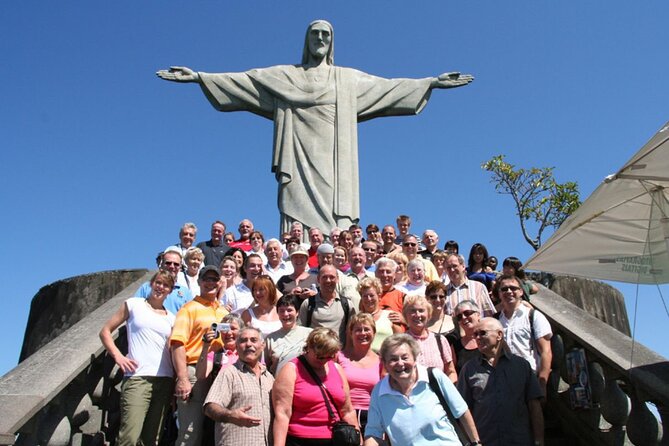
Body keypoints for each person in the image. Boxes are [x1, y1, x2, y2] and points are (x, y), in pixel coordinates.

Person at [157, 19, 474, 235]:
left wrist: (430, 82)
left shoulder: (347, 79)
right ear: (306, 41)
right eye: (315, 34)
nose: (320, 39)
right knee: (296, 217)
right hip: (297, 156)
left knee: (336, 222)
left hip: (336, 162)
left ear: (332, 42)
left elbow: (388, 88)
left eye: (326, 35)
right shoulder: (286, 77)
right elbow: (245, 80)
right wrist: (200, 77)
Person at [99, 271, 176, 446]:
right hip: (137, 378)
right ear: (151, 284)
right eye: (158, 283)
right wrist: (118, 356)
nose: (160, 287)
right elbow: (105, 332)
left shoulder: (172, 318)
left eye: (165, 285)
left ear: (170, 291)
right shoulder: (134, 304)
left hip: (164, 380)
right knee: (129, 436)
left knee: (151, 439)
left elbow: (173, 351)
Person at [364, 334, 480, 446]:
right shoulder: (379, 392)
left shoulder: (434, 377)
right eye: (393, 359)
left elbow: (462, 412)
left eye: (405, 357)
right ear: (384, 363)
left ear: (415, 358)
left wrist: (476, 443)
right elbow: (373, 433)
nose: (400, 363)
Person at [457, 318, 545, 446]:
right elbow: (463, 410)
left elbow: (534, 405)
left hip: (519, 440)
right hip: (486, 441)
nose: (478, 338)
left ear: (499, 335)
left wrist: (539, 440)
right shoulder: (469, 369)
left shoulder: (521, 366)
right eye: (475, 334)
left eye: (482, 333)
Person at [169, 265, 229, 446]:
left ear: (220, 283)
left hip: (219, 372)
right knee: (190, 432)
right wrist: (182, 378)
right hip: (194, 371)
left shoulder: (223, 311)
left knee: (215, 432)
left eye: (214, 279)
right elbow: (177, 343)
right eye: (206, 279)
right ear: (200, 281)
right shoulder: (189, 308)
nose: (210, 283)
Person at [272, 328, 360, 446]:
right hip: (301, 440)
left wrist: (359, 440)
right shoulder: (291, 370)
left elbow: (348, 411)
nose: (323, 361)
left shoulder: (337, 369)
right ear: (309, 347)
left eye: (328, 356)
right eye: (320, 356)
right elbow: (282, 414)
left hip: (336, 438)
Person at [204, 327, 275, 446]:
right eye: (243, 341)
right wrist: (230, 415)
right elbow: (210, 407)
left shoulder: (269, 378)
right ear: (236, 347)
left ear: (262, 346)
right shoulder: (229, 373)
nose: (248, 344)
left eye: (253, 340)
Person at [495, 274, 553, 394]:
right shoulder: (495, 321)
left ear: (521, 291)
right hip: (503, 380)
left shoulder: (533, 316)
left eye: (513, 288)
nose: (509, 291)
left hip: (530, 378)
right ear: (499, 294)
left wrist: (542, 385)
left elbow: (545, 352)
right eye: (504, 289)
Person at [337, 313, 383, 433]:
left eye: (367, 329)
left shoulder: (382, 361)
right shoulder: (339, 357)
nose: (363, 333)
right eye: (358, 330)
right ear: (350, 334)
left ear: (374, 333)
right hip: (344, 416)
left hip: (372, 417)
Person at [403, 295, 457, 383]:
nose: (417, 315)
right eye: (412, 311)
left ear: (429, 315)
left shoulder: (439, 340)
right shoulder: (400, 342)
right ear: (405, 315)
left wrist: (446, 389)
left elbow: (451, 372)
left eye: (421, 310)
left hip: (437, 394)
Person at [299, 265, 356, 345]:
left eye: (332, 277)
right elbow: (301, 331)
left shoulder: (347, 304)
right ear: (318, 279)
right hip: (316, 354)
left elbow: (351, 332)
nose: (328, 281)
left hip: (338, 354)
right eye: (324, 277)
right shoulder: (308, 304)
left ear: (337, 279)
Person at [265, 294, 313, 375]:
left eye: (289, 310)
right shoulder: (270, 339)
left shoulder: (310, 334)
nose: (285, 314)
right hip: (280, 383)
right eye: (281, 311)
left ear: (297, 312)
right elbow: (266, 366)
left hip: (306, 382)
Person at [136, 248, 193, 315]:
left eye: (176, 264)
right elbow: (134, 309)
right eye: (168, 263)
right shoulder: (146, 287)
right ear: (162, 264)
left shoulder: (186, 293)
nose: (172, 266)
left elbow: (191, 316)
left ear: (180, 267)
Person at [357, 277, 403, 352]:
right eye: (365, 296)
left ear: (379, 296)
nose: (369, 299)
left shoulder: (391, 316)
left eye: (371, 295)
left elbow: (400, 342)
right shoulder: (357, 319)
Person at [196, 314, 245, 380]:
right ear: (220, 332)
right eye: (225, 329)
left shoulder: (248, 352)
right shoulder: (214, 355)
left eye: (233, 329)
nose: (229, 333)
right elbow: (200, 375)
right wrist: (205, 346)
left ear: (241, 331)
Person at [446, 300, 482, 373]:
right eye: (459, 317)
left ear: (478, 315)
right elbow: (451, 372)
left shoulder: (489, 338)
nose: (463, 317)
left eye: (467, 313)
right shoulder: (455, 346)